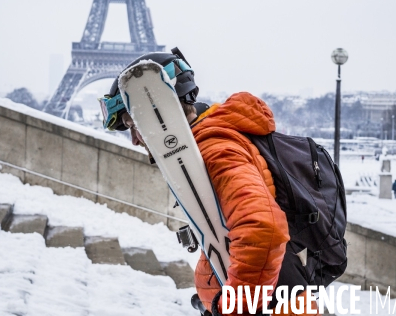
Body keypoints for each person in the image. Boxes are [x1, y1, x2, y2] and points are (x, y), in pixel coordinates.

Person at [100, 51, 314, 315]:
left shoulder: (215, 150)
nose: (134, 139)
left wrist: (234, 308)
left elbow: (263, 229)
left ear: (161, 113)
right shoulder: (202, 149)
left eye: (134, 124)